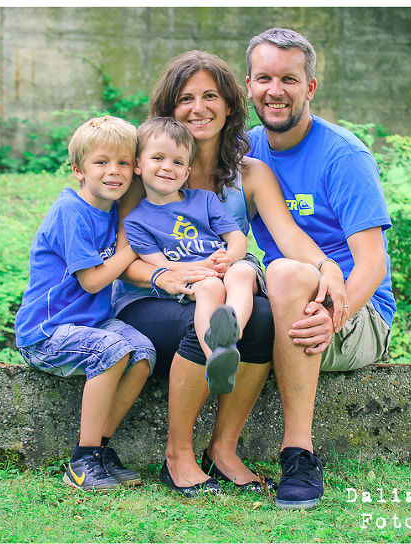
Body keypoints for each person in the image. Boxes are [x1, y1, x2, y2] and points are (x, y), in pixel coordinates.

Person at [113, 50, 347, 499]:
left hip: (220, 288)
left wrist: (327, 265)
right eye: (185, 98)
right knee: (196, 321)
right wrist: (165, 277)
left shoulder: (249, 171)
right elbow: (122, 253)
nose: (198, 108)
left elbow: (288, 233)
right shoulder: (146, 168)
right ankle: (178, 455)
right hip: (149, 298)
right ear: (169, 108)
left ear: (230, 104)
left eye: (210, 95)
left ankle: (222, 449)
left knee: (260, 318)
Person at [245, 28, 396, 509]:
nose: (275, 91)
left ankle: (298, 455)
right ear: (248, 84)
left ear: (309, 87)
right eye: (264, 78)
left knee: (287, 273)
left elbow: (373, 261)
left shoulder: (343, 155)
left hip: (356, 310)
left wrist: (337, 316)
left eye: (289, 79)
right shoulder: (243, 152)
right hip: (288, 301)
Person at [14, 116, 156, 491]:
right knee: (111, 351)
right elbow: (93, 280)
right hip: (46, 334)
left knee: (142, 353)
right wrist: (132, 248)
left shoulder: (111, 209)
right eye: (101, 162)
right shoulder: (71, 211)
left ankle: (101, 450)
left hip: (89, 325)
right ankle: (81, 460)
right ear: (78, 170)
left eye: (124, 163)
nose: (114, 171)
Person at [124, 116, 255, 396]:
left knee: (243, 273)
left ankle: (230, 333)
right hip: (192, 278)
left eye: (178, 162)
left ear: (187, 172)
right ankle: (216, 358)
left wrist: (229, 257)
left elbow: (236, 238)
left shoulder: (205, 200)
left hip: (225, 265)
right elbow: (161, 265)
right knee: (209, 286)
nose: (167, 167)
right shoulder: (136, 221)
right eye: (158, 158)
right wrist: (203, 267)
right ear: (138, 165)